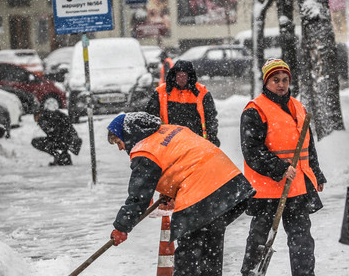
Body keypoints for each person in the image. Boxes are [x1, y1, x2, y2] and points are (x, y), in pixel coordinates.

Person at [106, 112, 256, 276]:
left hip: (201, 195)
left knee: (188, 258)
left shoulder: (145, 150)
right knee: (210, 250)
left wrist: (122, 227)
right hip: (228, 185)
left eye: (118, 142)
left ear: (128, 134)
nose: (121, 147)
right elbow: (183, 161)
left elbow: (138, 197)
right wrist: (170, 190)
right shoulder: (170, 130)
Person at [240, 59, 326, 276]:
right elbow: (251, 150)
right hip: (268, 190)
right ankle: (251, 273)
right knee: (259, 240)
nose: (281, 84)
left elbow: (308, 145)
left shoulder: (298, 107)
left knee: (302, 241)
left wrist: (316, 173)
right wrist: (279, 168)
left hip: (296, 189)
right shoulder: (255, 110)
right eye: (275, 80)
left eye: (285, 80)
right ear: (266, 82)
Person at [145, 60, 220, 146]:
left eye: (184, 76)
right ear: (174, 75)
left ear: (189, 76)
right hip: (168, 143)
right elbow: (150, 116)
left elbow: (210, 118)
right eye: (179, 75)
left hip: (195, 143)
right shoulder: (161, 92)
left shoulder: (202, 93)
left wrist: (212, 136)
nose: (181, 79)